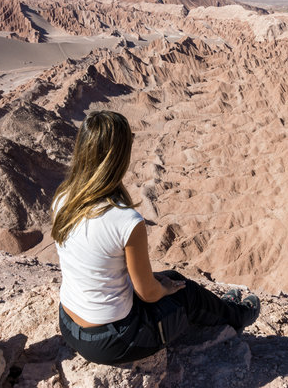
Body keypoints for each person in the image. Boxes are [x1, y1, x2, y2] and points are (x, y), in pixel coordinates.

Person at [52, 110, 260, 365]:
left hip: (69, 324)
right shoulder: (125, 220)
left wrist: (160, 283)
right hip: (113, 342)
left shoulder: (63, 199)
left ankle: (223, 307)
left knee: (171, 278)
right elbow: (148, 293)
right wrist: (163, 289)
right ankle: (238, 316)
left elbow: (98, 260)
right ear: (118, 156)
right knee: (185, 293)